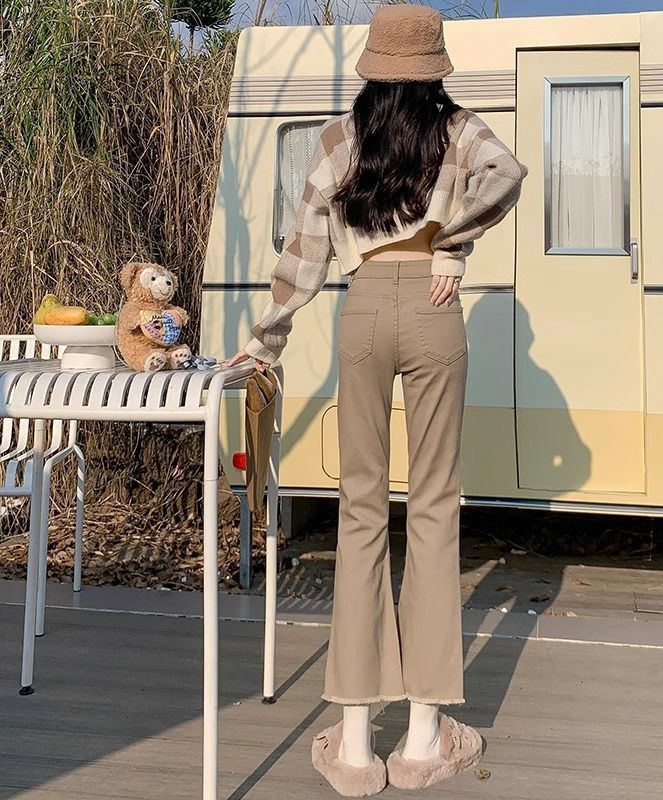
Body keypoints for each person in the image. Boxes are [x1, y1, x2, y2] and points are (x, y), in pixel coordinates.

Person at [223, 4, 528, 795]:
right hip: (434, 309)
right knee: (433, 508)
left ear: (372, 68)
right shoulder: (459, 130)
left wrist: (265, 339)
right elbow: (508, 175)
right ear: (434, 69)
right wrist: (452, 243)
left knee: (360, 511)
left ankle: (356, 747)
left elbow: (304, 252)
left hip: (362, 310)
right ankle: (423, 740)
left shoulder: (338, 139)